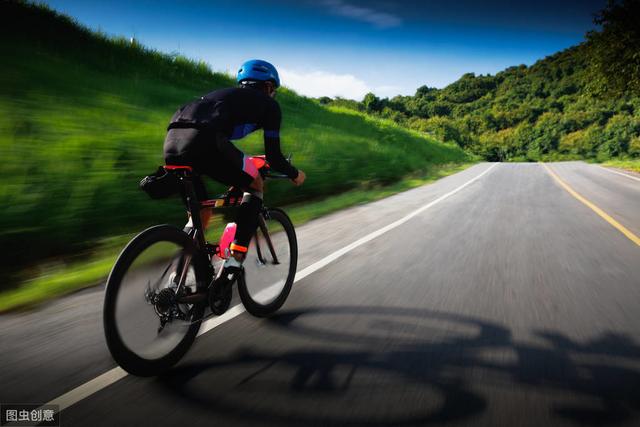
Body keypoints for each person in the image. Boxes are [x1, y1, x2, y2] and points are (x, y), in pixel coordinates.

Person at [163, 59, 306, 277]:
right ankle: (235, 261)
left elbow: (222, 151)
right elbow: (274, 157)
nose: (273, 94)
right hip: (206, 140)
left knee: (200, 213)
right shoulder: (269, 105)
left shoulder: (224, 96)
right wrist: (295, 174)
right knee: (256, 183)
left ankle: (177, 278)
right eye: (273, 90)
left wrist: (237, 177)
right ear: (268, 87)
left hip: (172, 143)